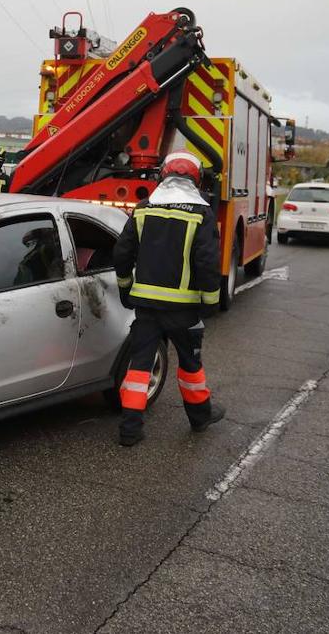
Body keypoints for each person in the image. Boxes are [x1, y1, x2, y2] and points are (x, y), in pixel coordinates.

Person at [112, 151, 225, 446]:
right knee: (190, 365)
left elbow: (122, 253)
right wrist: (210, 302)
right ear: (196, 179)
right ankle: (201, 418)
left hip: (146, 308)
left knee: (139, 367)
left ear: (163, 175)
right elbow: (208, 263)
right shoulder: (201, 214)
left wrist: (126, 287)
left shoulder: (143, 208)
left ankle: (129, 431)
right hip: (183, 309)